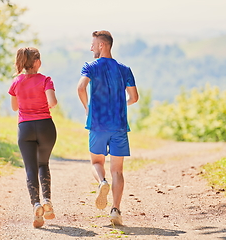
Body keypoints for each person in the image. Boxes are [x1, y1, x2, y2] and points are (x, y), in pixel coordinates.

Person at [77, 30, 139, 226]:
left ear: (102, 45)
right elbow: (135, 98)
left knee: (96, 162)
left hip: (98, 124)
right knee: (118, 171)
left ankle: (102, 182)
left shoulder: (91, 66)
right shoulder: (124, 69)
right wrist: (121, 104)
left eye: (93, 44)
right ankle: (115, 210)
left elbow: (80, 88)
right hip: (119, 125)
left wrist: (88, 109)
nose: (91, 48)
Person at [8, 47, 57, 228]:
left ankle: (36, 205)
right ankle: (47, 202)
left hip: (25, 128)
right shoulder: (45, 80)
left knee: (30, 168)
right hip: (45, 126)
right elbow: (52, 102)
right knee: (43, 164)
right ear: (36, 62)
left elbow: (15, 107)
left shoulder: (16, 82)